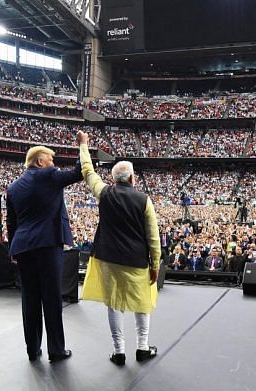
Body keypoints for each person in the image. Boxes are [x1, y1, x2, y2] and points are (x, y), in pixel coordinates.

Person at [78, 131, 161, 366]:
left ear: (114, 179)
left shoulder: (104, 193)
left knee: (113, 304)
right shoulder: (144, 200)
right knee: (142, 301)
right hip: (136, 260)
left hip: (108, 258)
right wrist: (155, 264)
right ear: (133, 178)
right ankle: (143, 348)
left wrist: (84, 146)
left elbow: (88, 172)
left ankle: (119, 351)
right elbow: (153, 238)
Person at [6, 143, 82, 363]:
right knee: (51, 297)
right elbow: (78, 172)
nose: (54, 164)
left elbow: (12, 222)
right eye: (51, 160)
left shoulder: (13, 187)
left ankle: (32, 349)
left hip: (23, 247)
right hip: (47, 245)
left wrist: (13, 248)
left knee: (29, 298)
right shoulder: (48, 175)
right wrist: (83, 145)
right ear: (40, 162)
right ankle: (56, 350)